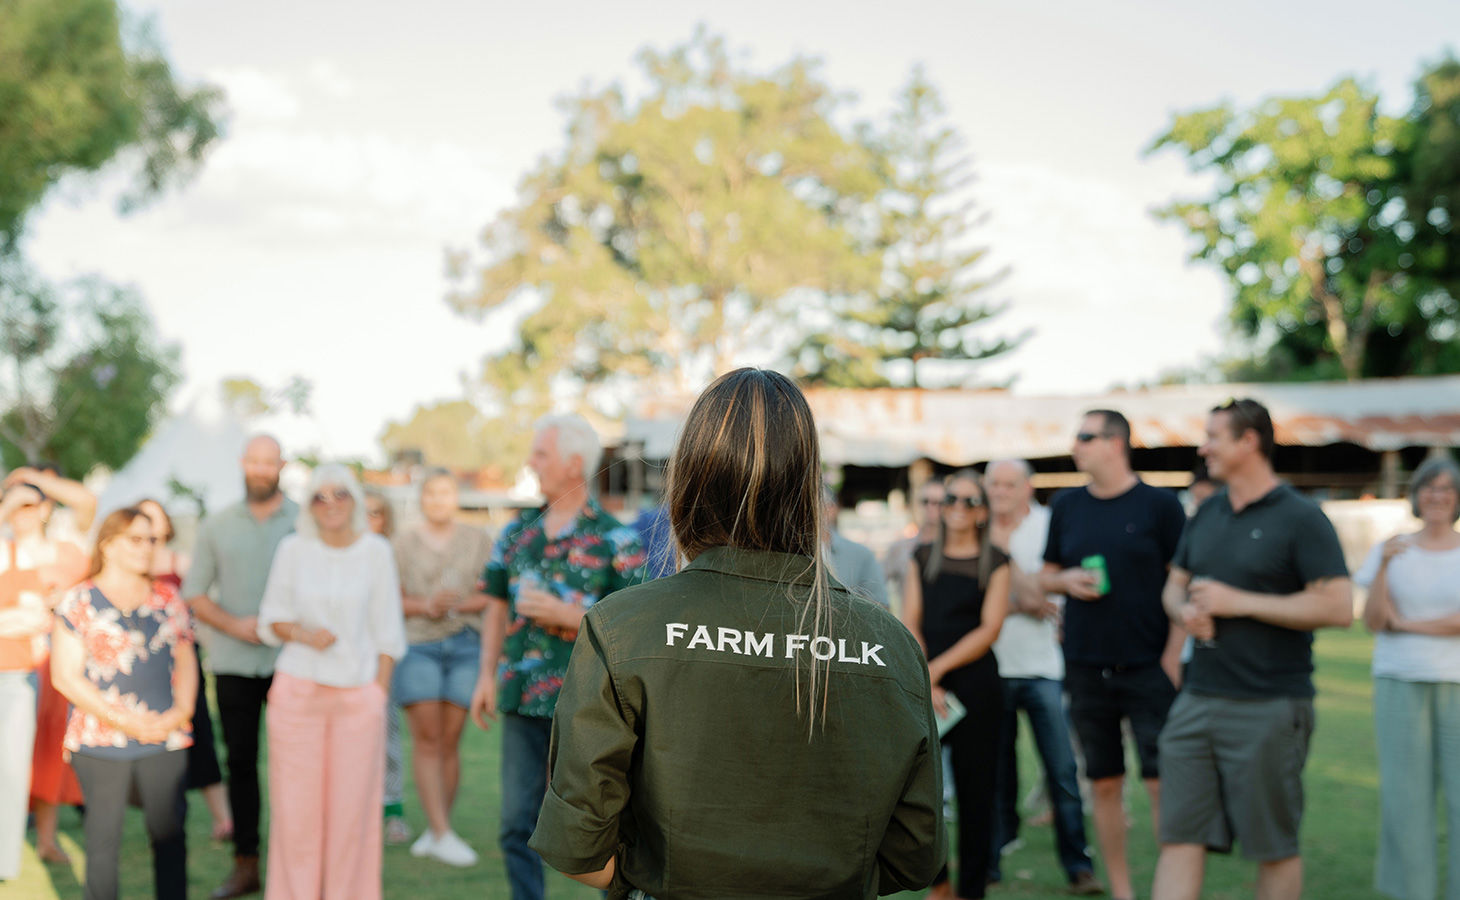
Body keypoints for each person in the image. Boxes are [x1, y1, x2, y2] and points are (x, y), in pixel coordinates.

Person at [527, 367, 946, 898]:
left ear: (687, 482)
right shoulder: (891, 644)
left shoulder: (622, 628)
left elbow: (579, 848)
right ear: (807, 488)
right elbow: (915, 855)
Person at [1151, 399, 1352, 900]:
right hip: (1196, 700)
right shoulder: (1207, 511)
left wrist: (1237, 602)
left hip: (1269, 705)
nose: (1203, 448)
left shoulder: (1302, 517)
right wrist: (1184, 611)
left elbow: (1338, 607)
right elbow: (1173, 587)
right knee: (1178, 838)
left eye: (1213, 437)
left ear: (1249, 441)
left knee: (1273, 848)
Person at [468, 412, 646, 900]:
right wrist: (485, 675)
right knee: (515, 822)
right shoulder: (516, 532)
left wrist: (569, 615)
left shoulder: (617, 538)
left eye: (540, 453)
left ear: (573, 464)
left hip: (592, 706)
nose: (531, 462)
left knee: (602, 823)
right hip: (522, 699)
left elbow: (636, 627)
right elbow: (495, 605)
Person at [1040, 409, 1186, 900]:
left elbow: (1184, 583)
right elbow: (1046, 576)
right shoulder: (1067, 505)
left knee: (1162, 785)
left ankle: (1171, 889)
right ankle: (1122, 892)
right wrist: (1066, 580)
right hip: (1086, 667)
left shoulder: (1161, 506)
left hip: (1150, 666)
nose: (1075, 445)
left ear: (1116, 443)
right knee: (1103, 784)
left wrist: (1173, 657)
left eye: (1085, 436)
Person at [256, 463, 406, 900]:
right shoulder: (293, 549)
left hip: (359, 696)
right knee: (296, 815)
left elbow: (389, 632)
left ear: (355, 499)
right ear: (308, 505)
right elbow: (271, 619)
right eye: (319, 496)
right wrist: (305, 634)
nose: (331, 504)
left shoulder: (376, 551)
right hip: (298, 692)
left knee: (351, 814)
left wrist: (377, 693)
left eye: (339, 493)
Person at [50, 508, 198, 900]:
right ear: (108, 544)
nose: (146, 547)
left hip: (165, 733)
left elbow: (186, 658)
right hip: (100, 739)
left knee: (170, 837)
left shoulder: (168, 597)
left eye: (151, 539)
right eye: (135, 538)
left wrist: (181, 712)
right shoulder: (78, 600)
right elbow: (64, 676)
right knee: (102, 844)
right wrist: (125, 721)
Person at [181, 435, 297, 899]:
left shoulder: (304, 522)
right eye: (255, 461)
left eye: (270, 461)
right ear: (242, 463)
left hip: (293, 663)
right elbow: (194, 591)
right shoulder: (217, 524)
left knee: (295, 767)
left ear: (282, 465)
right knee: (241, 764)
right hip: (233, 664)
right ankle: (246, 864)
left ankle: (295, 867)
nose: (262, 469)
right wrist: (234, 624)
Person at [984, 459, 1099, 895]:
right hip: (993, 665)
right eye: (994, 483)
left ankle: (1078, 865)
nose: (1000, 492)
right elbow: (986, 600)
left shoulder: (1049, 524)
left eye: (1009, 484)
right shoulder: (976, 526)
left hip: (1043, 668)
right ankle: (992, 861)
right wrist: (1029, 597)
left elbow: (1059, 589)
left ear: (1027, 487)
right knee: (996, 774)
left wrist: (1016, 589)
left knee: (1062, 770)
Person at [1356, 455, 1460, 900]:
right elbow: (1375, 621)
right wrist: (1383, 566)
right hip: (1399, 680)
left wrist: (1409, 624)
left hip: (1456, 682)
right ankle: (1412, 892)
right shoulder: (1391, 549)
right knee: (1405, 798)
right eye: (1429, 487)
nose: (1437, 496)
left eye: (1447, 488)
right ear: (1416, 494)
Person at [904, 469, 1011, 900]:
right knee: (921, 794)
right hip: (926, 685)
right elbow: (910, 621)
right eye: (951, 499)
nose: (958, 508)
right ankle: (940, 884)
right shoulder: (920, 556)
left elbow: (989, 629)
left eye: (970, 500)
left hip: (977, 687)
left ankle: (971, 891)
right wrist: (927, 678)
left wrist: (936, 670)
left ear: (983, 512)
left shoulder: (997, 561)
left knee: (977, 796)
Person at [391, 470, 491, 866]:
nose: (438, 500)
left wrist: (457, 604)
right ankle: (440, 831)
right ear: (421, 498)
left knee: (451, 739)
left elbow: (493, 594)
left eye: (445, 492)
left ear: (456, 497)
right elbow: (390, 598)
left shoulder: (478, 540)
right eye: (431, 493)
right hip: (418, 643)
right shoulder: (402, 543)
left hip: (466, 642)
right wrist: (425, 605)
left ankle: (439, 830)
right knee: (428, 738)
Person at [0, 473, 90, 869]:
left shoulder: (66, 551)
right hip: (13, 662)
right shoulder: (5, 550)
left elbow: (86, 503)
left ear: (44, 509)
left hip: (56, 663)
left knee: (51, 750)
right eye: (13, 506)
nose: (20, 514)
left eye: (28, 505)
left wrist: (30, 479)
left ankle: (46, 839)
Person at [138, 498, 234, 844]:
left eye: (155, 517)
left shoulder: (181, 563)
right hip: (142, 663)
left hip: (181, 661)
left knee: (201, 736)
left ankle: (224, 819)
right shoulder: (129, 567)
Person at [365, 489, 412, 846]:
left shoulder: (391, 555)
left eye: (376, 513)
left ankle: (392, 810)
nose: (369, 520)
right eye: (363, 512)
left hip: (383, 657)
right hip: (345, 660)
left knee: (387, 732)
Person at [823, 483, 889, 607]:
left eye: (821, 504)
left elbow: (880, 608)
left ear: (832, 508)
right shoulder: (792, 554)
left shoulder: (861, 555)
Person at [885, 479, 946, 611]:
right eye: (925, 501)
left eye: (938, 503)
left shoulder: (954, 549)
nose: (930, 507)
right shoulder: (900, 548)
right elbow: (877, 585)